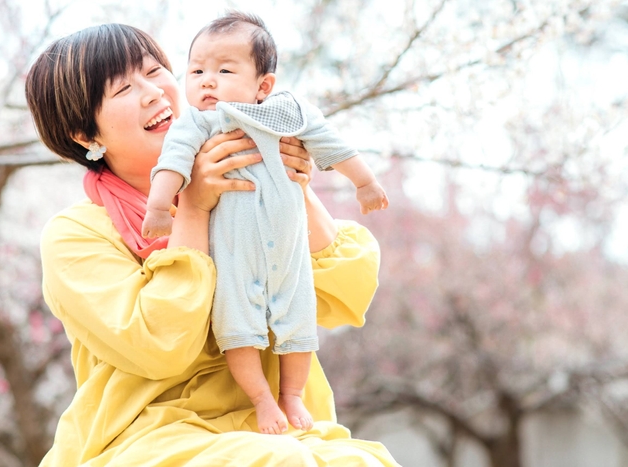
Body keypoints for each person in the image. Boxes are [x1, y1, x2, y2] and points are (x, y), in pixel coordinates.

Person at [25, 22, 399, 467]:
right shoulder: (76, 235)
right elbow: (161, 345)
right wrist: (194, 209)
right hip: (150, 436)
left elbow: (347, 294)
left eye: (155, 70)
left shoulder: (245, 180)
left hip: (279, 425)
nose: (153, 92)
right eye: (123, 89)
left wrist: (289, 185)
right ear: (87, 136)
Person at [140, 11, 388, 436]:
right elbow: (172, 164)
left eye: (223, 70)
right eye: (196, 70)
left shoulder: (286, 113)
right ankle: (261, 399)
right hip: (235, 261)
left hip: (289, 255)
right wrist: (161, 206)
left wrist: (364, 182)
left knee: (299, 326)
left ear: (264, 86)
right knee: (238, 331)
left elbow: (332, 142)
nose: (206, 81)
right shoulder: (197, 124)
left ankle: (291, 394)